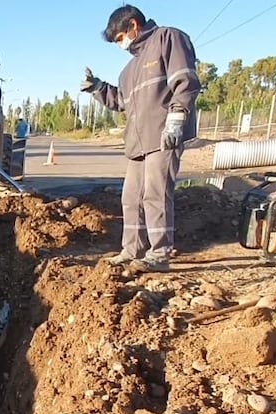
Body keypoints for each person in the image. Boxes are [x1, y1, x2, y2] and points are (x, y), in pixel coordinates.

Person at [81, 5, 200, 273]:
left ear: (133, 25)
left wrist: (177, 118)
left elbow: (185, 81)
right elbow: (120, 102)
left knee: (155, 193)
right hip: (137, 142)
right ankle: (131, 249)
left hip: (162, 135)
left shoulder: (168, 39)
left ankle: (159, 252)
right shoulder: (129, 70)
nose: (120, 44)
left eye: (120, 38)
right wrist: (97, 87)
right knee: (131, 197)